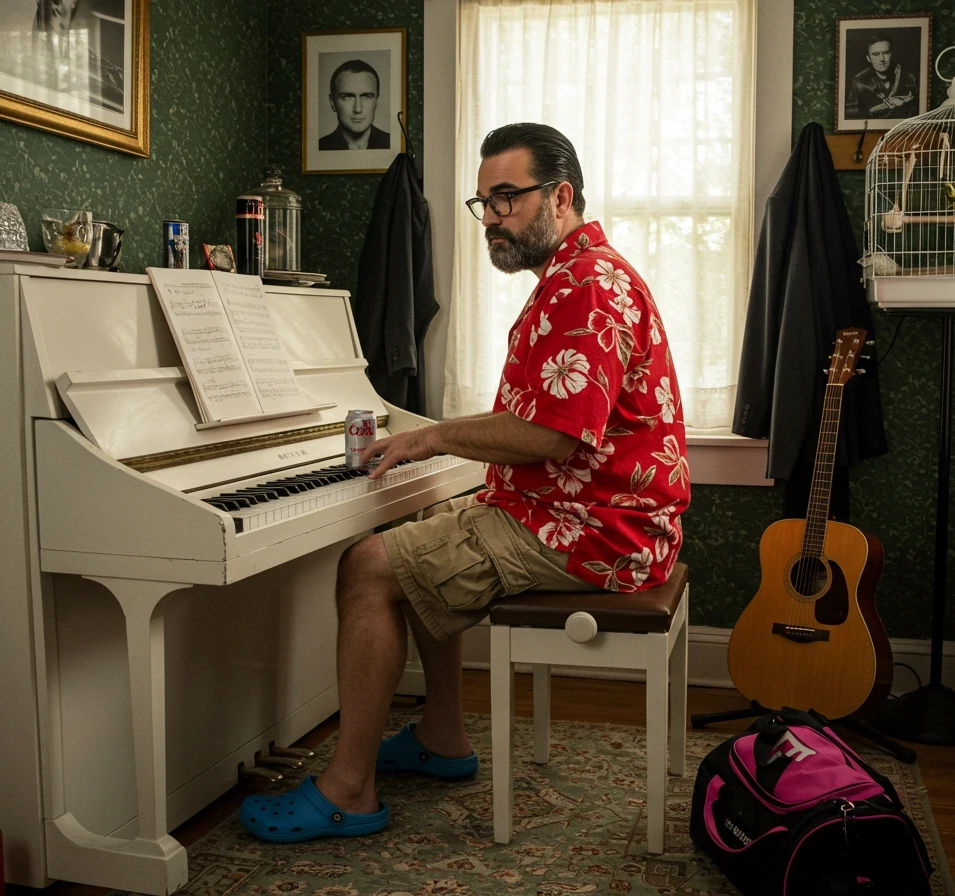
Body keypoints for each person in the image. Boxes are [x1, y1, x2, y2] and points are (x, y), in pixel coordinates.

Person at [239, 122, 690, 843]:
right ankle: (442, 736)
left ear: (562, 195)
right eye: (484, 202)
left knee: (367, 568)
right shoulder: (578, 274)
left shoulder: (584, 288)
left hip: (596, 530)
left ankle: (347, 790)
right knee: (416, 540)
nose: (493, 219)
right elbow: (547, 421)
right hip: (591, 510)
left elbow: (553, 434)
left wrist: (431, 436)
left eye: (507, 197)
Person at [318, 59, 391, 151]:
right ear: (332, 103)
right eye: (348, 97)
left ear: (376, 101)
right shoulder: (320, 147)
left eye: (366, 96)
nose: (357, 109)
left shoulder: (391, 143)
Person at [845, 33, 918, 120]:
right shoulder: (859, 82)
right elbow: (850, 117)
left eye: (886, 53)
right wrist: (875, 110)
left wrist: (905, 104)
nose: (882, 59)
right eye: (876, 54)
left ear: (892, 54)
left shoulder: (908, 77)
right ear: (868, 58)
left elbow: (919, 112)